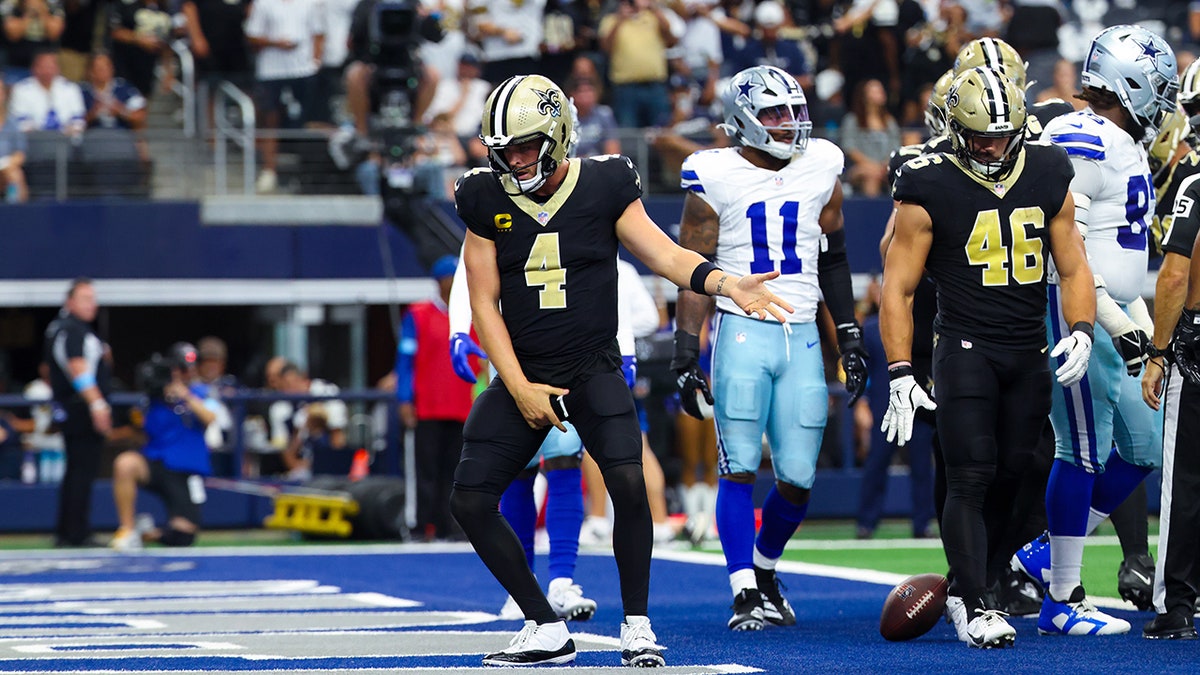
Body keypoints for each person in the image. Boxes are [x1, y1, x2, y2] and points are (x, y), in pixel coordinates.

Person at [451, 73, 792, 666]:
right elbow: (483, 301)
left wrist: (725, 281)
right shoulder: (483, 195)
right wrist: (518, 384)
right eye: (503, 149)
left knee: (628, 482)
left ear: (557, 136)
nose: (514, 159)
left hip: (591, 365)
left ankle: (637, 622)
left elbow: (663, 253)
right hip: (524, 368)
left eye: (526, 146)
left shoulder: (606, 181)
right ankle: (543, 624)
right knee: (469, 498)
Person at [881, 66, 1095, 648]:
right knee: (970, 476)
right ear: (954, 129)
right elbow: (896, 287)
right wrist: (900, 368)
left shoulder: (1049, 170)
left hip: (1028, 348)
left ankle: (968, 582)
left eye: (1001, 134)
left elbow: (1073, 265)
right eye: (979, 135)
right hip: (966, 349)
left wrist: (1081, 328)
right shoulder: (928, 182)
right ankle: (975, 604)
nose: (992, 147)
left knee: (1017, 476)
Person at [671, 64, 868, 631]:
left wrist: (848, 333)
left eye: (795, 111)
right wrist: (687, 352)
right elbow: (693, 267)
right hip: (739, 328)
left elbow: (832, 254)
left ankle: (763, 569)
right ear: (743, 120)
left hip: (803, 331)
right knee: (736, 468)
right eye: (776, 113)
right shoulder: (713, 174)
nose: (790, 124)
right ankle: (741, 591)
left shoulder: (823, 163)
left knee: (797, 480)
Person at [1009, 25, 1177, 638]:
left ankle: (1047, 553)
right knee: (1078, 449)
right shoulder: (1082, 137)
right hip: (1075, 309)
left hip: (1119, 309)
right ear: (1130, 85)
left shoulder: (1121, 140)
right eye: (1157, 89)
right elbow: (1062, 246)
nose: (1165, 104)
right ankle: (1061, 598)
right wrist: (1112, 323)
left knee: (1144, 442)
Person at [396, 254, 475, 542]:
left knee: (456, 469)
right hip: (427, 406)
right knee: (424, 469)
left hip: (462, 406)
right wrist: (405, 399)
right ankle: (420, 524)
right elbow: (405, 361)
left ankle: (450, 524)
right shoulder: (418, 315)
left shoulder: (472, 316)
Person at [110, 343, 218, 551]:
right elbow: (140, 429)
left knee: (183, 535)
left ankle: (147, 534)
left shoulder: (200, 392)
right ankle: (127, 529)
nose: (186, 373)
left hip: (184, 469)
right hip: (156, 462)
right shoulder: (153, 398)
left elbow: (210, 417)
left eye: (189, 368)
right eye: (180, 368)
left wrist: (184, 395)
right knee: (125, 463)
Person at [44, 277, 113, 547]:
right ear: (69, 302)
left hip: (73, 407)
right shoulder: (71, 329)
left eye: (93, 298)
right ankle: (76, 532)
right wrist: (96, 404)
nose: (91, 304)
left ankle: (69, 530)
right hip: (80, 409)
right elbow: (77, 368)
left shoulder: (63, 328)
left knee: (76, 470)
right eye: (85, 298)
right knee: (82, 471)